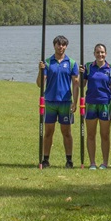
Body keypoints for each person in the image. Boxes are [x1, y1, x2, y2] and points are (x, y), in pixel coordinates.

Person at [37, 35, 79, 169]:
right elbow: (39, 84)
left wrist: (75, 102)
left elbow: (76, 84)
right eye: (58, 44)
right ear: (54, 45)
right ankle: (46, 159)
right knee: (48, 132)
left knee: (66, 132)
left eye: (63, 45)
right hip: (50, 101)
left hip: (65, 102)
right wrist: (40, 70)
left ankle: (69, 160)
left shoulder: (71, 63)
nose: (60, 47)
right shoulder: (48, 62)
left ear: (66, 46)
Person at [80, 43, 111, 170]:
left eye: (102, 52)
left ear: (105, 54)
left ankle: (105, 162)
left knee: (105, 135)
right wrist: (80, 75)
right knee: (91, 135)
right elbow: (82, 85)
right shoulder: (88, 67)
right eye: (97, 52)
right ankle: (92, 163)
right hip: (91, 103)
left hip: (105, 104)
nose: (100, 54)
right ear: (94, 54)